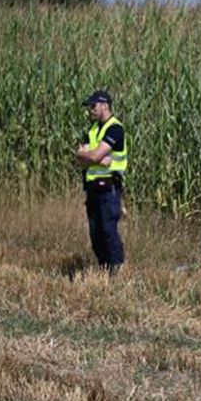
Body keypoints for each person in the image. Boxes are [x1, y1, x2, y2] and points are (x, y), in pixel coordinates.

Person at [74, 90, 127, 274]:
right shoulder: (92, 130)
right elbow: (81, 157)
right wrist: (92, 157)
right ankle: (104, 271)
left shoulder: (115, 128)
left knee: (108, 231)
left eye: (93, 105)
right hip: (92, 188)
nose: (90, 110)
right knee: (95, 234)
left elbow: (93, 155)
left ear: (105, 106)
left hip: (109, 188)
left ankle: (116, 270)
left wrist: (90, 155)